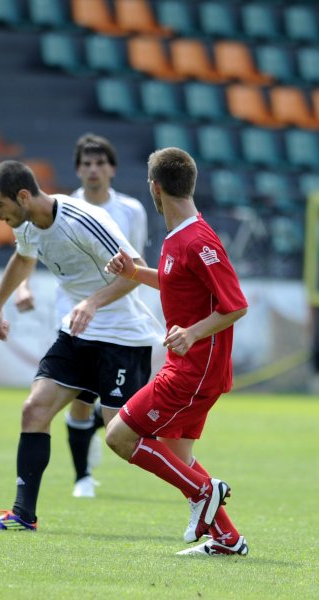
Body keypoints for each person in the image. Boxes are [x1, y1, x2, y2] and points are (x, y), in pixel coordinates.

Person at [0, 160, 159, 531]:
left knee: (121, 439)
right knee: (34, 410)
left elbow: (135, 271)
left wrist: (91, 302)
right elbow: (23, 259)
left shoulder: (81, 219)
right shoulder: (27, 225)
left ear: (22, 196)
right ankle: (23, 515)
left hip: (122, 335)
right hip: (77, 333)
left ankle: (199, 487)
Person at [104, 147, 249, 556]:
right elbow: (175, 282)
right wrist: (134, 273)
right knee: (174, 449)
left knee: (119, 436)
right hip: (191, 366)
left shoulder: (199, 240)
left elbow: (236, 304)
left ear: (155, 187)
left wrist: (192, 333)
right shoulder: (177, 237)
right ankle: (227, 539)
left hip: (194, 369)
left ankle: (204, 492)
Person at [15, 134, 152, 499]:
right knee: (75, 399)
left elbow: (135, 266)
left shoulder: (131, 210)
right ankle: (83, 477)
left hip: (119, 318)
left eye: (100, 163)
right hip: (73, 319)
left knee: (115, 417)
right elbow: (28, 250)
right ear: (77, 170)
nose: (93, 170)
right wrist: (22, 287)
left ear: (112, 169)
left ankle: (181, 471)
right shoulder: (62, 207)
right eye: (86, 164)